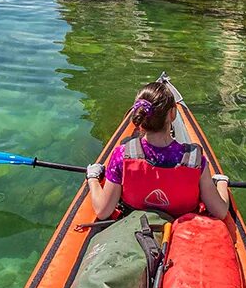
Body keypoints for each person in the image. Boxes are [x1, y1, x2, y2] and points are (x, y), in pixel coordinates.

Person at [86, 81, 231, 220]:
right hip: (182, 232)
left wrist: (93, 178)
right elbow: (221, 211)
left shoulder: (121, 155)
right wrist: (221, 182)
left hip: (138, 227)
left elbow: (103, 211)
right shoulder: (196, 160)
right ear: (172, 114)